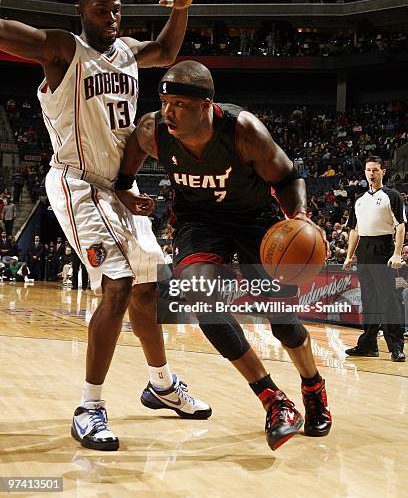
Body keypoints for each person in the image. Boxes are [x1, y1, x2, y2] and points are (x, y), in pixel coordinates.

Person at [0, 0, 210, 452]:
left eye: (116, 9)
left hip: (117, 186)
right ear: (82, 11)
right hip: (73, 182)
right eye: (102, 8)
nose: (112, 16)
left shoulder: (127, 52)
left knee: (147, 286)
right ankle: (89, 406)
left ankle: (160, 385)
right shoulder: (61, 49)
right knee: (115, 283)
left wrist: (180, 10)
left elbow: (166, 50)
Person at [116, 60, 332, 451]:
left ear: (206, 106)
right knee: (199, 295)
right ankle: (273, 399)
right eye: (165, 102)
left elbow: (287, 177)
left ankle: (313, 385)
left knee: (282, 322)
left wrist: (298, 217)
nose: (169, 112)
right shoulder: (152, 131)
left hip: (256, 222)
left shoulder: (243, 130)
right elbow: (126, 171)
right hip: (199, 222)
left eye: (180, 104)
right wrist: (128, 191)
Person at [343, 156, 406, 362]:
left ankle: (395, 346)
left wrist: (396, 253)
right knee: (369, 300)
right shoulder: (359, 200)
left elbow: (400, 226)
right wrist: (349, 255)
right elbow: (355, 230)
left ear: (383, 172)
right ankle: (368, 345)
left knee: (388, 299)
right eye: (369, 170)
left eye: (376, 170)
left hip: (383, 248)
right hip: (364, 251)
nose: (371, 173)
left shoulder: (392, 196)